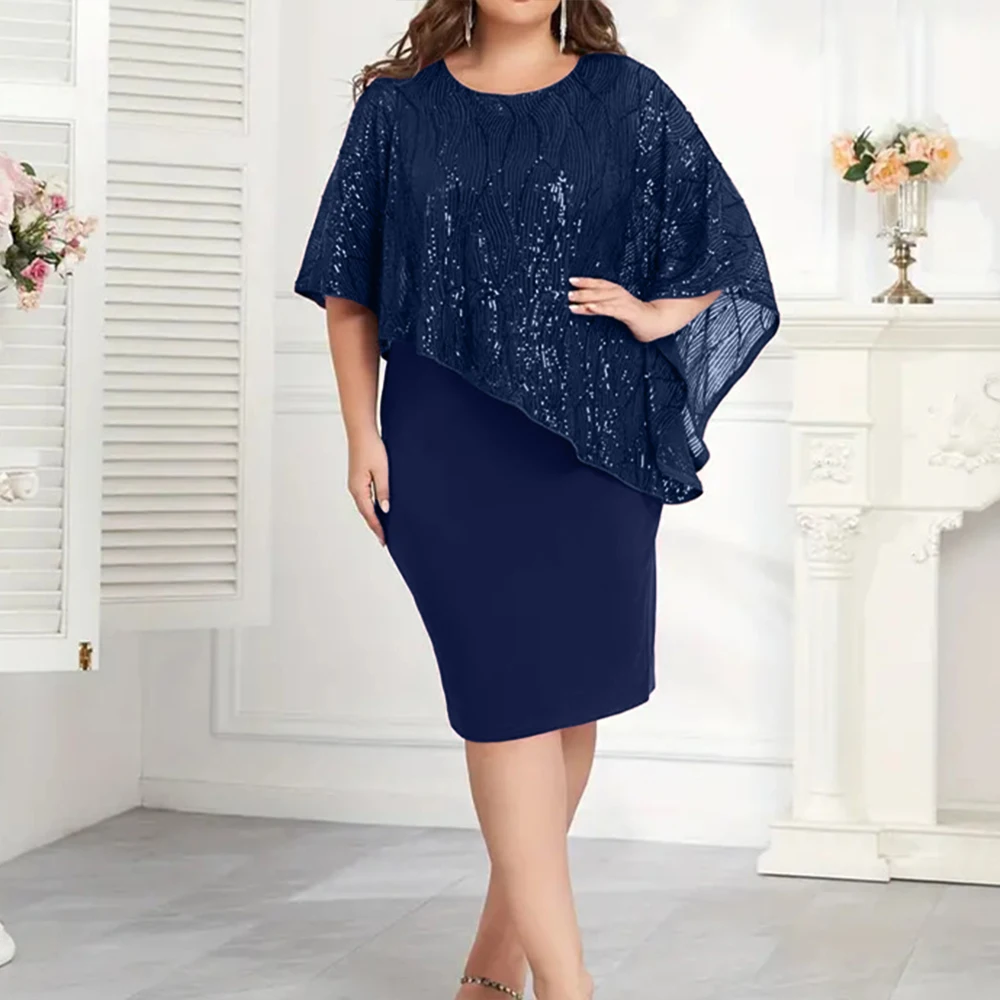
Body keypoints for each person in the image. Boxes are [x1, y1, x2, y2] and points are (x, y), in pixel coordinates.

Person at [294, 2, 779, 998]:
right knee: (504, 698)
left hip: (595, 443)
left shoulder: (628, 96)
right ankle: (569, 983)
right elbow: (349, 285)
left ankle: (496, 960)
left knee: (561, 702)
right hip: (443, 437)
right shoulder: (397, 108)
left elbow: (730, 254)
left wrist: (654, 315)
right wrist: (360, 433)